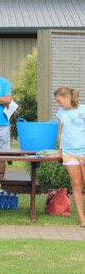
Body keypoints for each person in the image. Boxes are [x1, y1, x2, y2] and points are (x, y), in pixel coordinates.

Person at [53, 87, 85, 228]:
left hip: (83, 151)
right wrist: (60, 152)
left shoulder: (83, 110)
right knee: (76, 185)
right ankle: (81, 217)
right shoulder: (61, 113)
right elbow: (60, 133)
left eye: (59, 101)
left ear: (67, 97)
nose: (59, 104)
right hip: (68, 153)